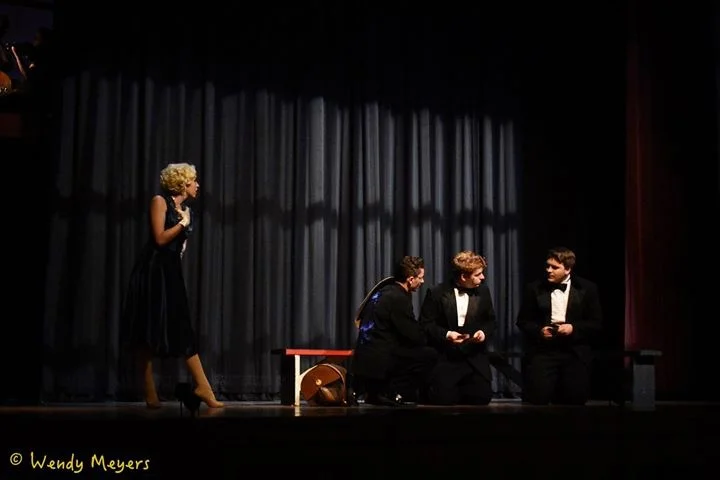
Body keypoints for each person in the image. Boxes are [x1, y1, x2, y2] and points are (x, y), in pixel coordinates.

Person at [121, 162, 224, 411]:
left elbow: (178, 247)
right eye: (194, 181)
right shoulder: (160, 202)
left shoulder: (186, 211)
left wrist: (183, 228)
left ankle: (203, 387)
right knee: (147, 328)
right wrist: (182, 224)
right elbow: (159, 239)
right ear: (183, 183)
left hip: (171, 272)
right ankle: (150, 393)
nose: (197, 185)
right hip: (152, 272)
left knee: (182, 327)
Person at [515, 246, 603, 405]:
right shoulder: (534, 288)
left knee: (574, 399)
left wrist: (573, 328)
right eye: (547, 266)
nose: (549, 270)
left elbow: (596, 323)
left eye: (554, 267)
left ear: (568, 269)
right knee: (536, 398)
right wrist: (539, 331)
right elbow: (523, 321)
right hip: (544, 351)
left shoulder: (587, 288)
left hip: (574, 351)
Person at [350, 256, 438, 406]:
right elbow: (413, 335)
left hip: (366, 356)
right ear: (411, 279)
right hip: (379, 359)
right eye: (421, 278)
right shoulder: (398, 298)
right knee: (429, 355)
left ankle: (377, 392)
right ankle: (391, 392)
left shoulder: (383, 291)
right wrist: (436, 337)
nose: (423, 281)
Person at [419, 250, 497, 405]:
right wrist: (447, 334)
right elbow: (425, 324)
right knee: (443, 399)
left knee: (481, 398)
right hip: (447, 357)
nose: (483, 277)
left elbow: (490, 321)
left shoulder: (483, 291)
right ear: (463, 276)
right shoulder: (437, 293)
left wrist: (483, 332)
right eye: (478, 274)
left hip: (473, 357)